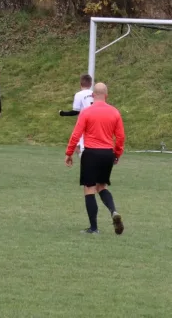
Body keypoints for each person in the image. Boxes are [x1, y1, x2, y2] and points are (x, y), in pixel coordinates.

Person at [65, 82, 125, 235]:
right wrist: (117, 154)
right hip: (107, 153)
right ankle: (113, 211)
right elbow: (120, 137)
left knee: (89, 188)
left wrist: (69, 153)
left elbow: (76, 134)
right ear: (106, 95)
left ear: (93, 95)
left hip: (91, 153)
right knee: (102, 187)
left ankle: (93, 228)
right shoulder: (115, 112)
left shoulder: (86, 112)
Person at [59, 74, 94, 158]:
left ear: (80, 84)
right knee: (79, 145)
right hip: (96, 122)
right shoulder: (94, 93)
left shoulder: (79, 94)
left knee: (79, 145)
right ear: (91, 84)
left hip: (85, 123)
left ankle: (87, 162)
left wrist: (63, 113)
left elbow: (75, 111)